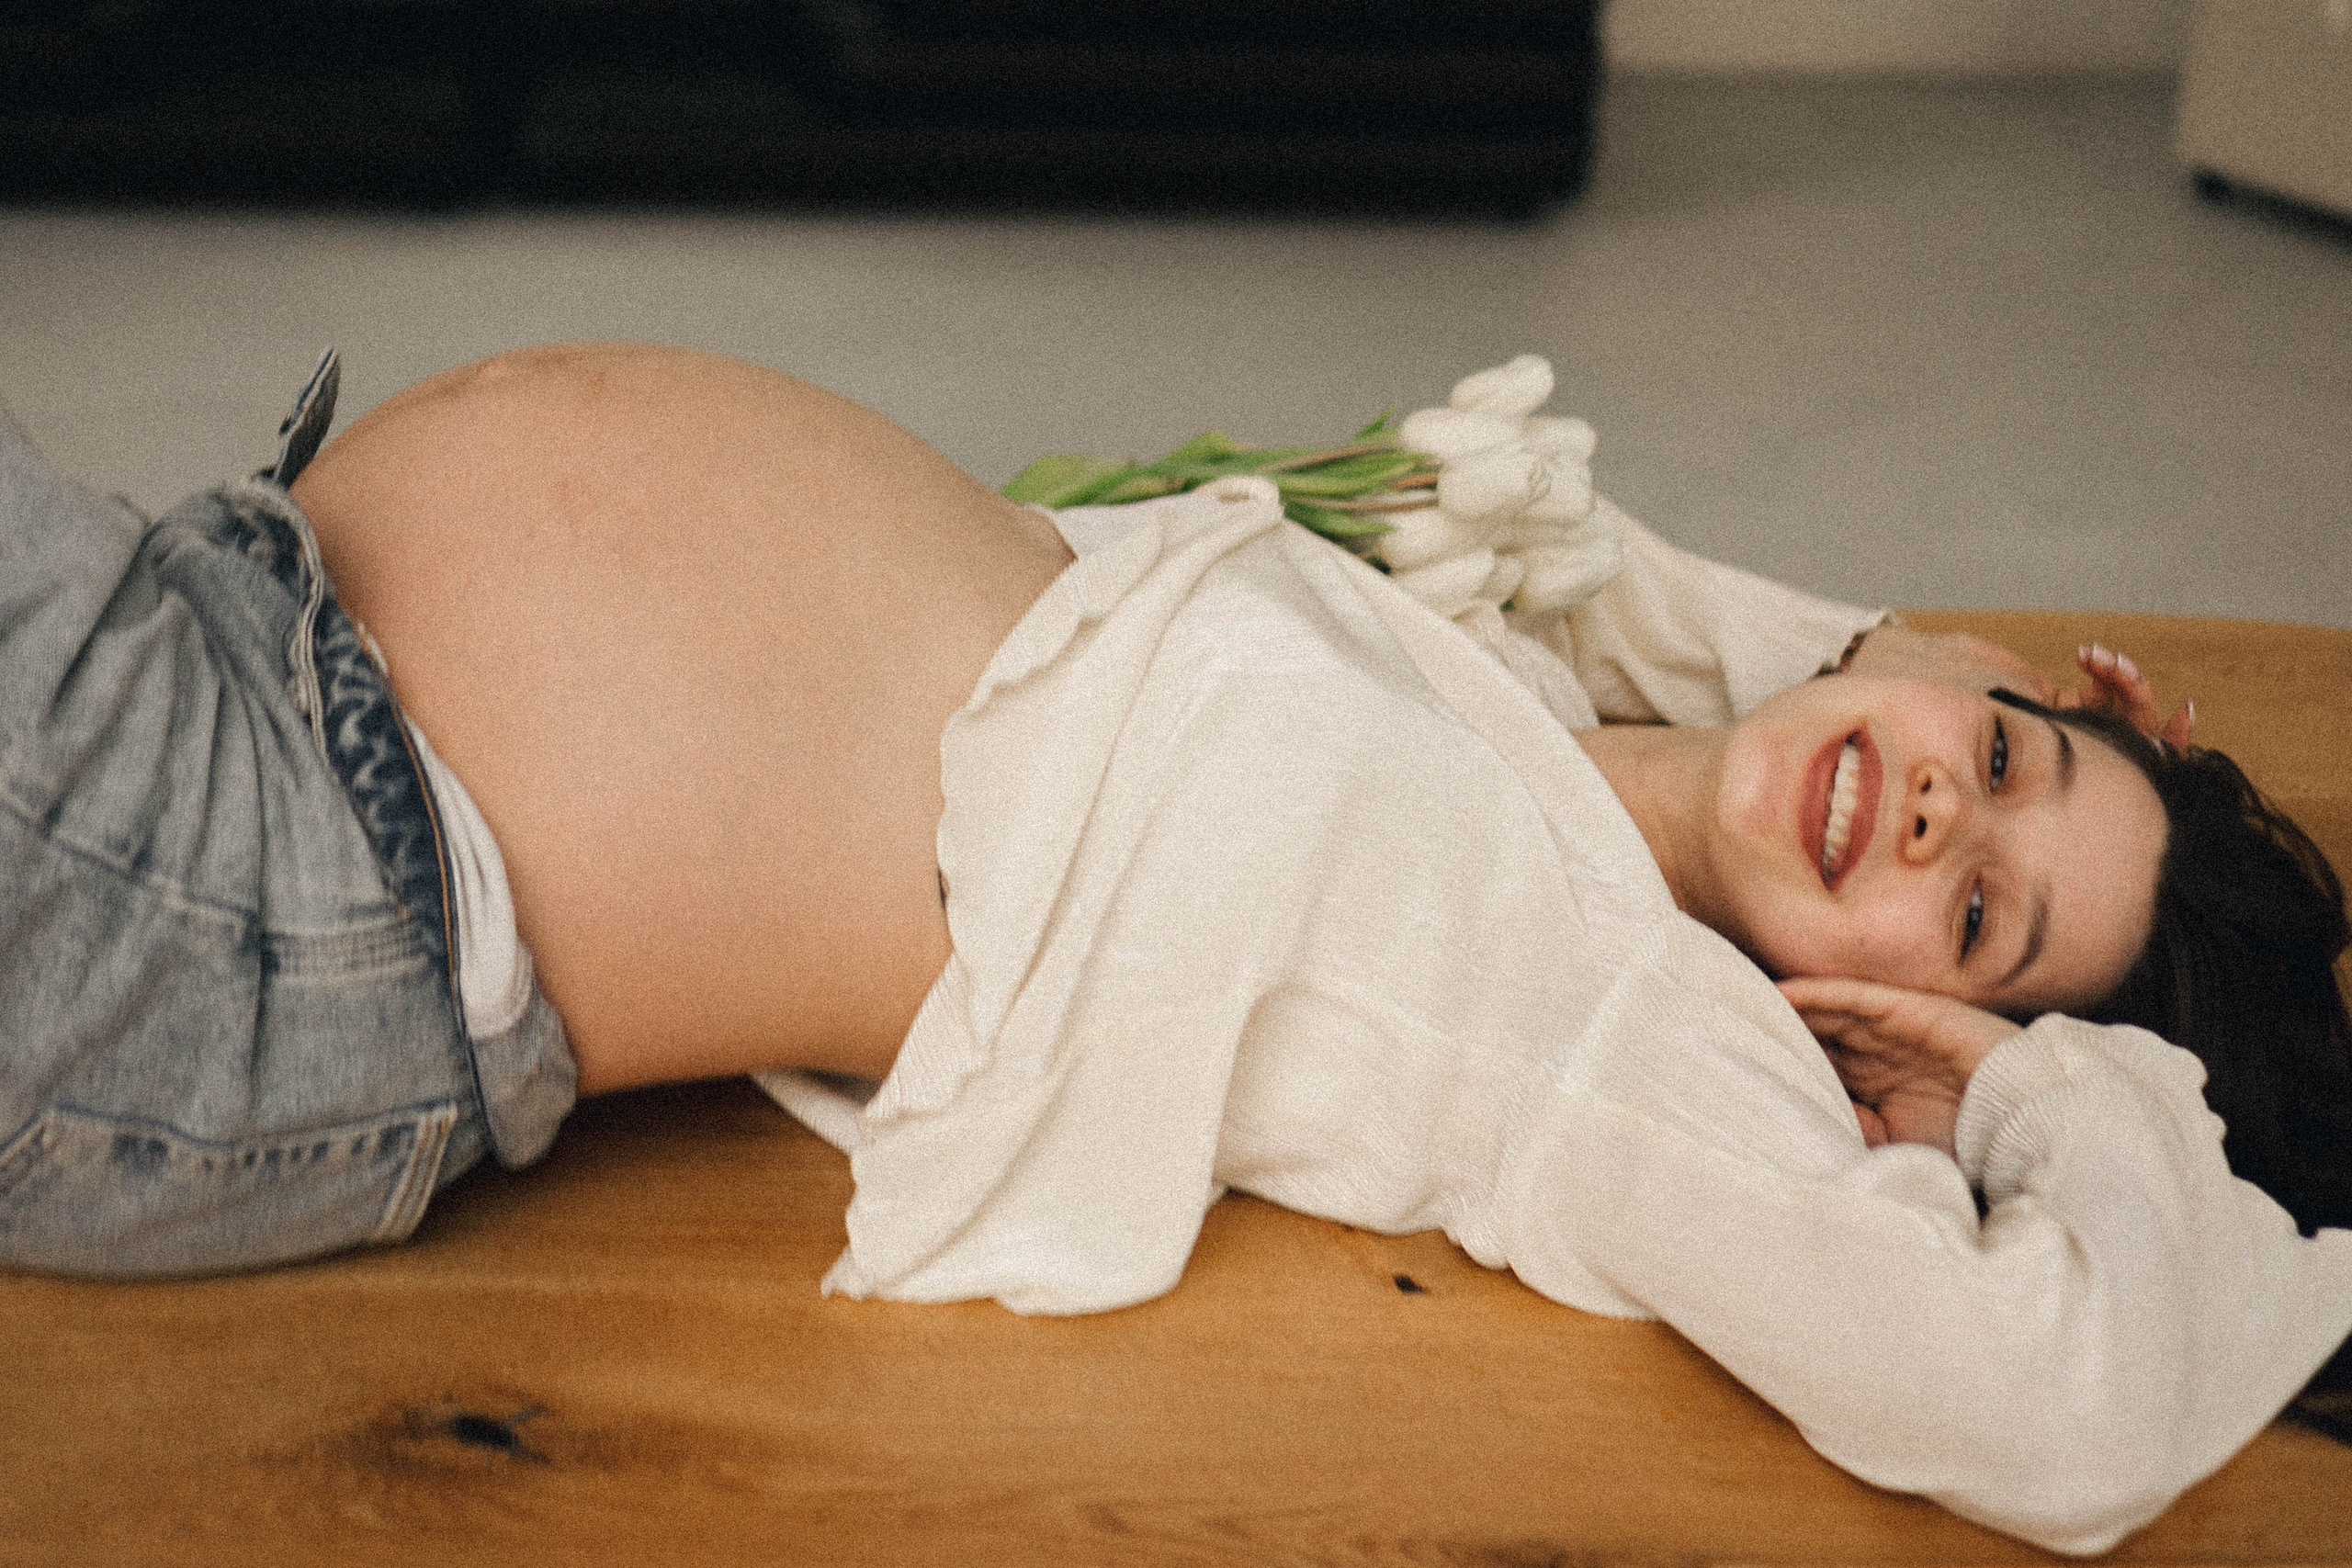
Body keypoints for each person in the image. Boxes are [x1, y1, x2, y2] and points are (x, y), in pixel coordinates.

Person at [4, 344, 2348, 1554]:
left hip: (262, 883)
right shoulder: (1517, 694)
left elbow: (2057, 1406)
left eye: (1979, 923)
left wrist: (2059, 1089)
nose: (1937, 812)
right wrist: (1909, 662)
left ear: (1898, 1024)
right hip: (229, 620)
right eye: (2006, 761)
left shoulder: (1581, 1010)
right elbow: (1581, 551)